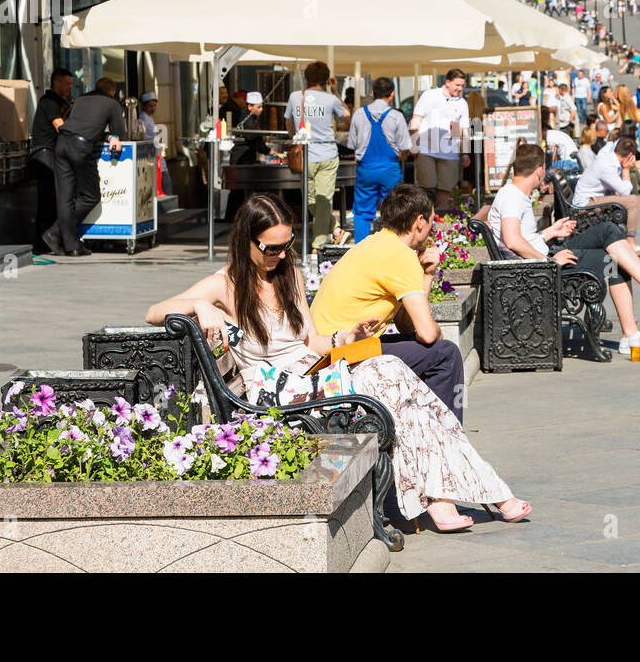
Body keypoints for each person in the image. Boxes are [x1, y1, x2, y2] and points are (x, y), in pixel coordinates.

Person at [145, 193, 528, 533]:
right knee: (392, 377)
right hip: (275, 393)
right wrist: (198, 306)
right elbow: (154, 311)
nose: (279, 256)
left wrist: (347, 338)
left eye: (286, 245)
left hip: (313, 373)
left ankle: (444, 498)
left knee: (395, 379)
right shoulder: (224, 284)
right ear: (245, 240)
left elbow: (312, 341)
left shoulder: (288, 276)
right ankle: (470, 494)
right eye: (270, 248)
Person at [492, 143, 640, 355]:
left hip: (542, 258)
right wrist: (550, 261)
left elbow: (518, 239)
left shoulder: (513, 194)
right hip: (542, 267)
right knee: (612, 251)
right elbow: (513, 241)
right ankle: (638, 318)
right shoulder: (512, 197)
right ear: (540, 170)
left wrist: (550, 232)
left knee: (611, 242)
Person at [310, 184, 465, 420]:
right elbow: (427, 334)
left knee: (431, 349)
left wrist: (427, 276)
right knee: (447, 355)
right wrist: (436, 331)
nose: (432, 228)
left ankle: (418, 426)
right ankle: (447, 437)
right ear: (420, 222)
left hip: (335, 346)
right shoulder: (400, 255)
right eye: (432, 221)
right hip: (338, 354)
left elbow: (406, 325)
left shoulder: (379, 243)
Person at [45, 76, 125, 256]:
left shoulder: (79, 99)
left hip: (61, 143)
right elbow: (120, 134)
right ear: (111, 92)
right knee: (90, 196)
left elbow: (74, 122)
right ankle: (55, 232)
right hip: (80, 147)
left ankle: (71, 245)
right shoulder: (112, 103)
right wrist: (111, 137)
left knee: (65, 197)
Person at [285, 62, 350, 252]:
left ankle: (318, 245)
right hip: (327, 154)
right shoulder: (331, 99)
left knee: (315, 201)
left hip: (304, 155)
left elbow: (288, 123)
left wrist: (295, 137)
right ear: (326, 80)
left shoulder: (295, 97)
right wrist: (336, 92)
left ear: (306, 78)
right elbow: (347, 117)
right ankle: (336, 230)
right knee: (318, 202)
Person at [347, 77, 411, 243]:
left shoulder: (359, 114)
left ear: (373, 93)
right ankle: (390, 246)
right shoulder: (396, 116)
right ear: (392, 94)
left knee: (362, 211)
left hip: (365, 169)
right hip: (390, 169)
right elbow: (405, 146)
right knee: (393, 209)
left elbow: (352, 143)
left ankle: (361, 248)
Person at [410, 69, 471, 212]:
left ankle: (441, 224)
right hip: (426, 149)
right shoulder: (429, 95)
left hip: (450, 152)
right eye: (457, 85)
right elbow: (416, 120)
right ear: (447, 82)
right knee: (427, 188)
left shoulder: (462, 103)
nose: (460, 89)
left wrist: (465, 153)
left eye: (462, 85)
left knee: (445, 189)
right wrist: (414, 145)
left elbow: (462, 130)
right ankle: (426, 221)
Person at [29, 68, 72, 254]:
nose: (70, 87)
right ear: (57, 82)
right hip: (44, 154)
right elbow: (60, 127)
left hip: (51, 153)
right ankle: (43, 243)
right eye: (67, 83)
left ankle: (47, 241)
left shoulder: (61, 101)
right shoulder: (49, 101)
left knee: (53, 199)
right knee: (49, 199)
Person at [224, 91, 271, 222]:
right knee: (237, 190)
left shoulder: (251, 118)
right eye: (259, 107)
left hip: (245, 157)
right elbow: (254, 139)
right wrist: (269, 151)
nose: (261, 110)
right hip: (240, 158)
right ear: (250, 107)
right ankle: (232, 217)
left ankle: (235, 216)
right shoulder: (247, 119)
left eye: (261, 107)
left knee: (239, 191)